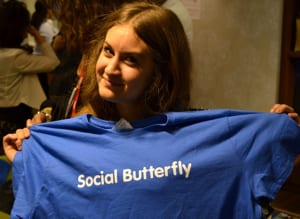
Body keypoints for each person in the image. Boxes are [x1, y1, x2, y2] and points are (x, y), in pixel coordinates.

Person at [3, 2, 300, 218]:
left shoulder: (211, 137)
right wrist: (30, 159)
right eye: (108, 51)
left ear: (159, 72)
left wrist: (277, 131)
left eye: (130, 60)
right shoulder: (70, 135)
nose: (110, 69)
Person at [0, 0, 60, 153]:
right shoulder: (17, 58)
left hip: (2, 110)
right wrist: (36, 35)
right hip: (16, 112)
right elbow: (53, 62)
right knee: (17, 150)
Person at [31, 0, 59, 96]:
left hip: (39, 59)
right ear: (48, 10)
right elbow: (52, 44)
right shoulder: (45, 26)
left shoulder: (43, 24)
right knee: (46, 91)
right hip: (44, 61)